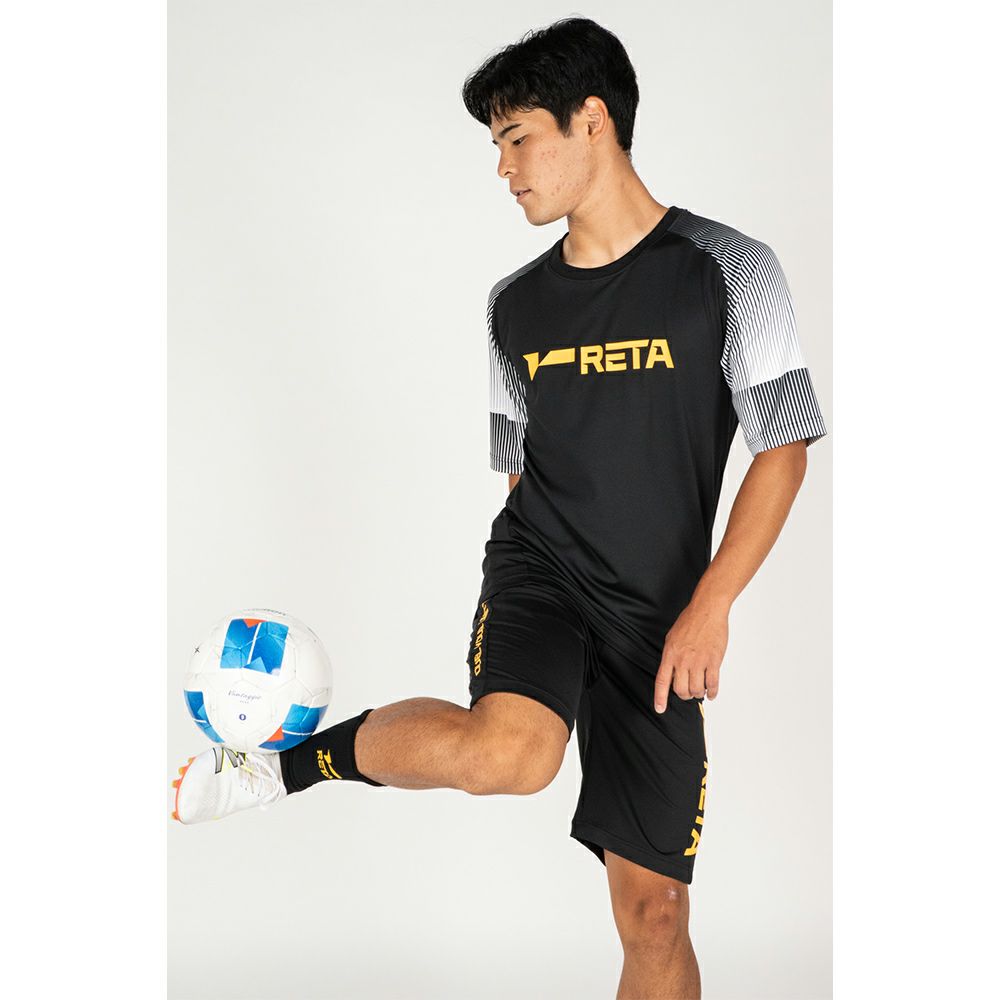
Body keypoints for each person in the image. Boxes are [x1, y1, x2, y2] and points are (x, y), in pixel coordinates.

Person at [171, 17, 827, 1000]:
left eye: (518, 138)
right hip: (544, 572)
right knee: (513, 756)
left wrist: (711, 603)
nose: (504, 168)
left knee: (654, 913)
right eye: (496, 145)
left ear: (592, 120)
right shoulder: (514, 306)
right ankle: (280, 769)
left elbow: (782, 449)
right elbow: (520, 474)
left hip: (661, 612)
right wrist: (543, 580)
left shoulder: (728, 268)